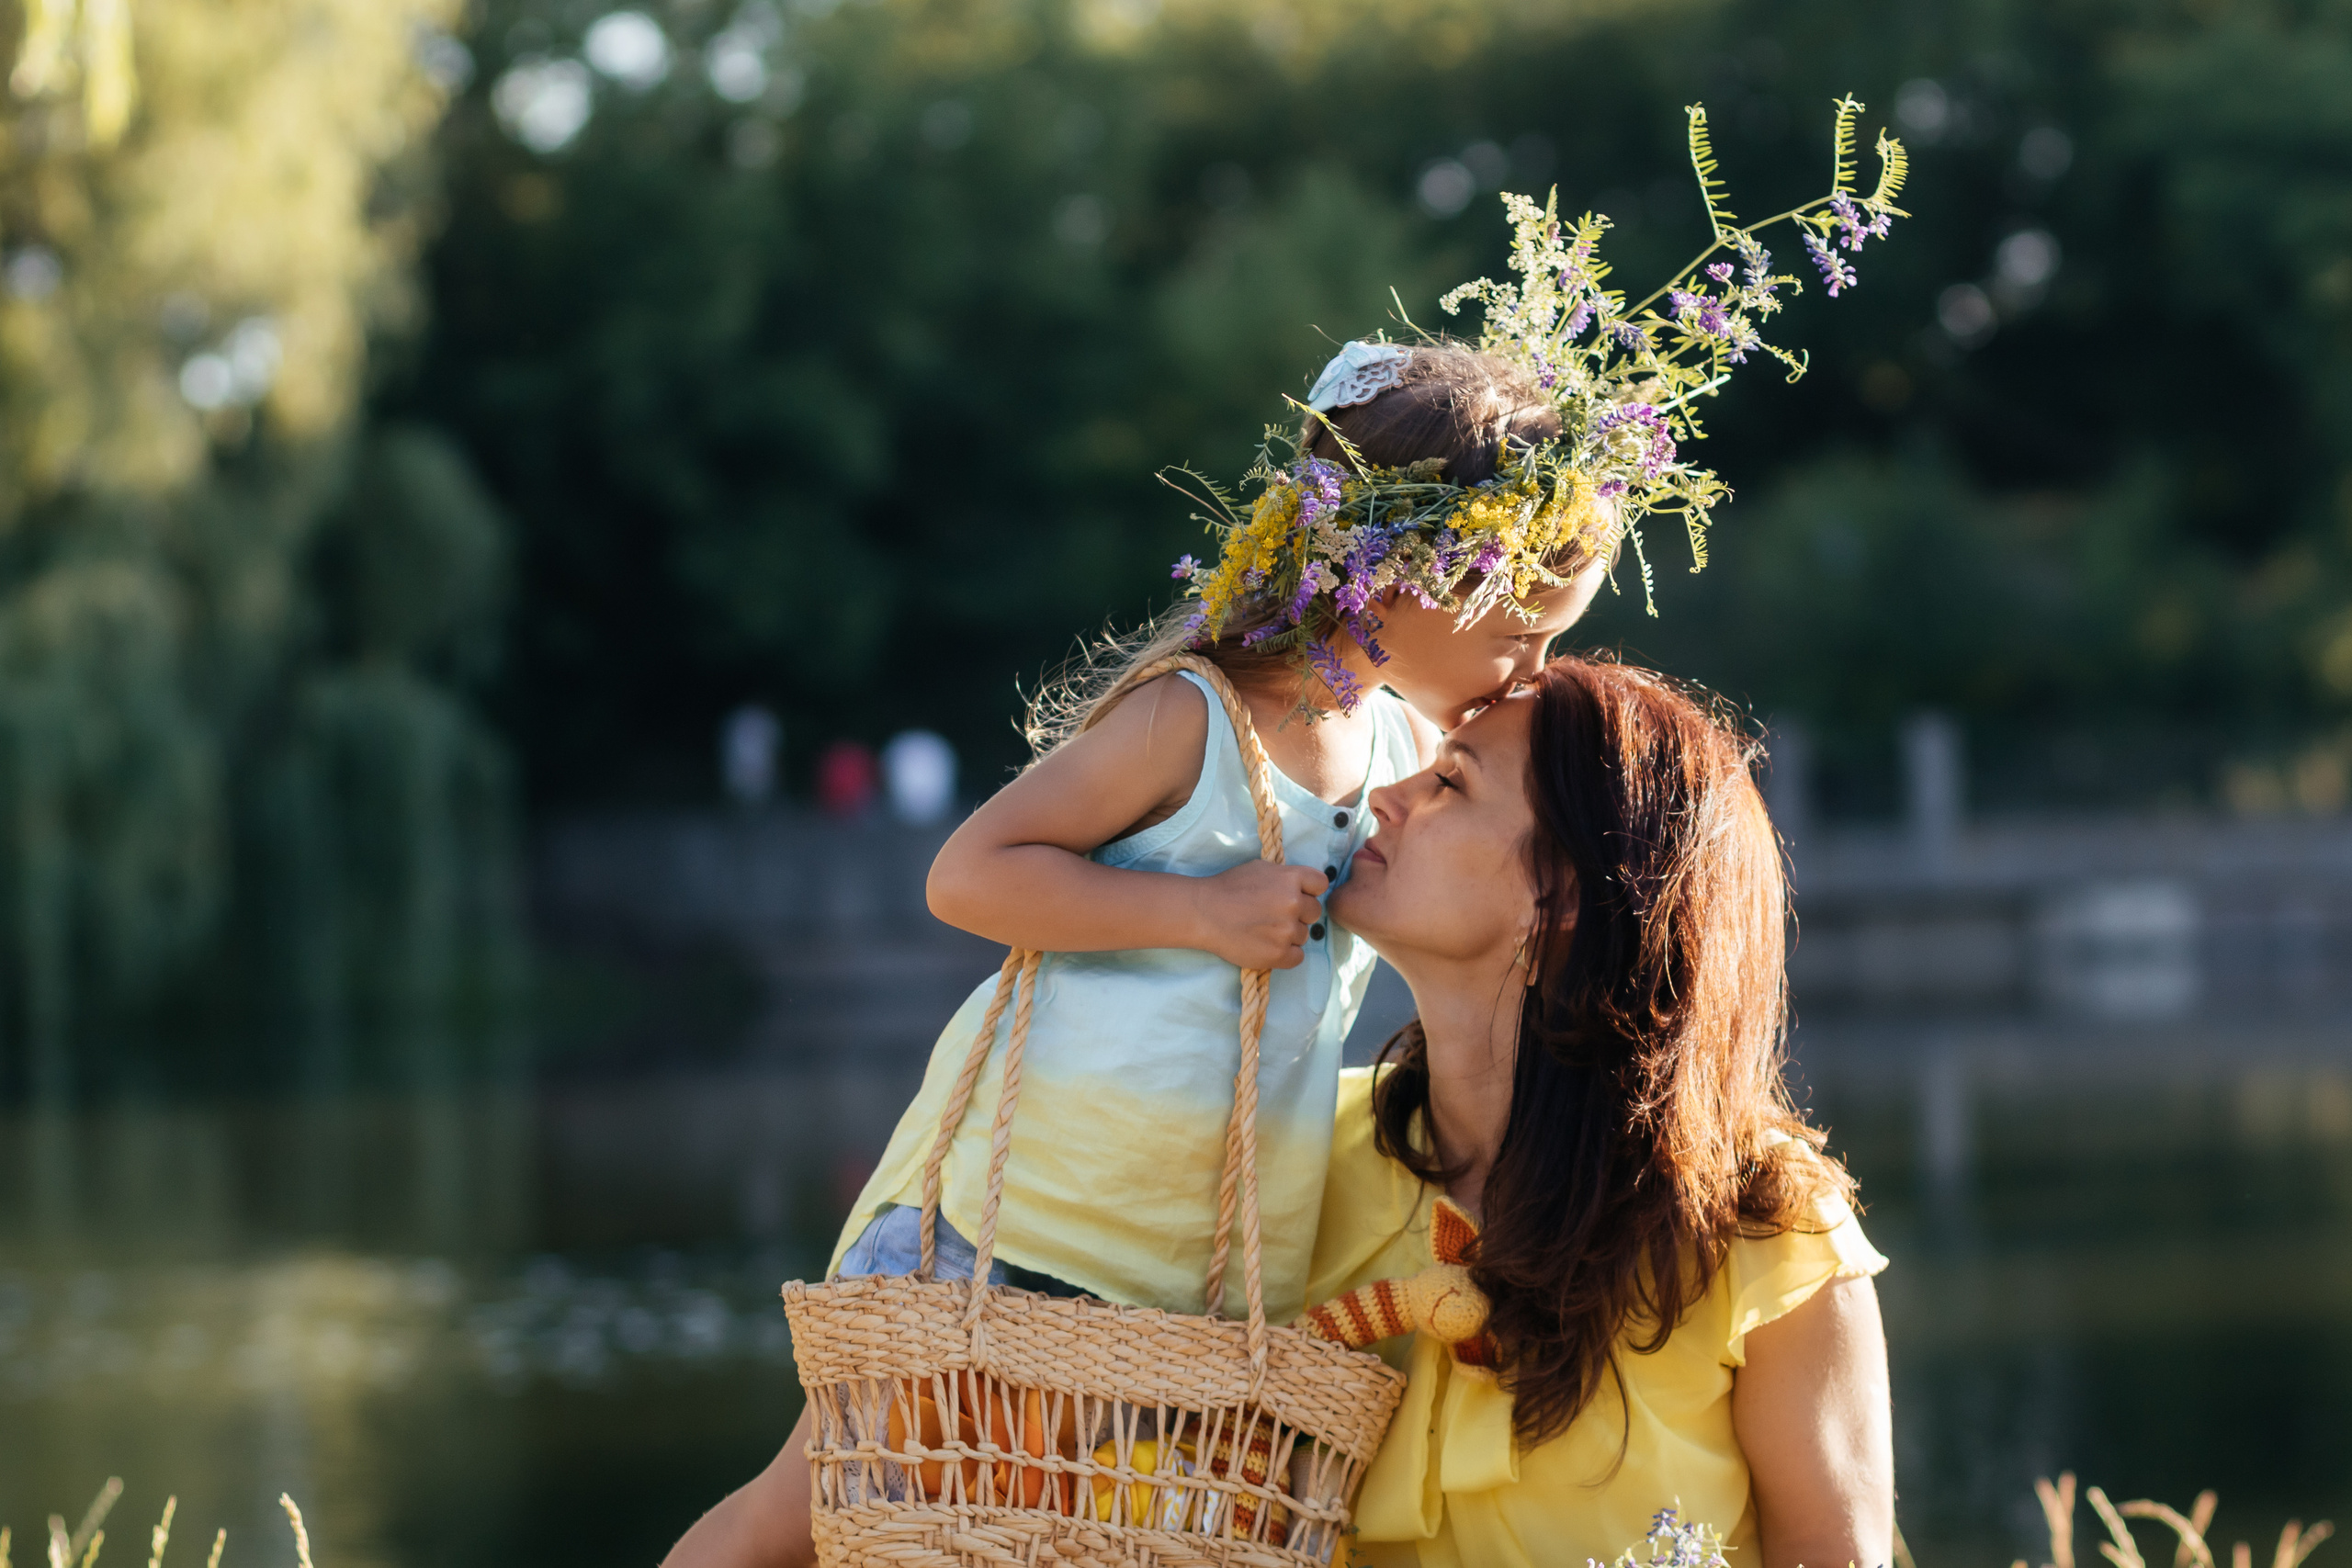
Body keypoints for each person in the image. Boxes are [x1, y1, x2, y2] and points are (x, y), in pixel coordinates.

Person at [660, 342, 1617, 1568]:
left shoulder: (1392, 762)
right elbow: (970, 873)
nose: (1529, 673)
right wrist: (1201, 914)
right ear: (1403, 578)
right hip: (1011, 1228)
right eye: (1521, 633)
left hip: (1178, 1270)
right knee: (804, 1522)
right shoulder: (1194, 716)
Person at [1311, 654, 1893, 1568]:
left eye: (1450, 783)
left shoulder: (1762, 1220)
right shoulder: (1295, 1156)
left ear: (1565, 895)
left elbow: (1831, 1553)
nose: (1385, 794)